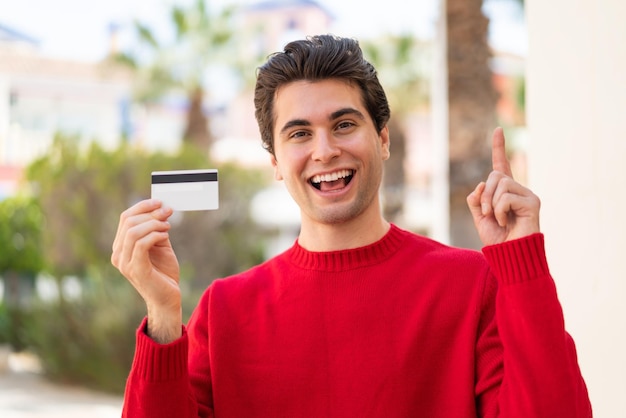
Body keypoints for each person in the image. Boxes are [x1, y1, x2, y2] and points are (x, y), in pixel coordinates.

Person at [111, 34, 592, 417]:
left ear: (382, 139)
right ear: (277, 162)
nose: (324, 150)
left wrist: (521, 268)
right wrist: (162, 314)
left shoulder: (472, 284)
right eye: (300, 133)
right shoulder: (224, 312)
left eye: (344, 125)